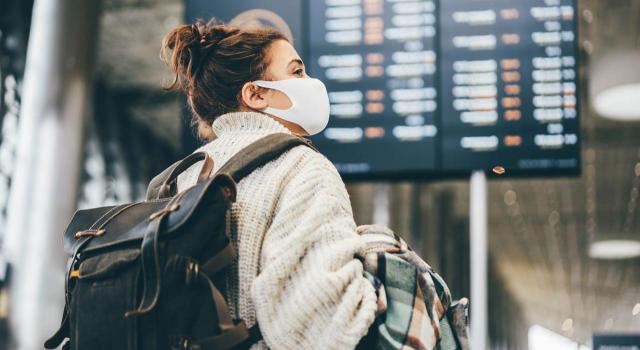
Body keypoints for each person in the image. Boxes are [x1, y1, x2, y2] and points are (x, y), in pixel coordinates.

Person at [163, 19, 378, 349]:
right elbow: (320, 326)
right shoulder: (300, 167)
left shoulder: (179, 179)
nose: (311, 83)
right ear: (255, 93)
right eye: (296, 72)